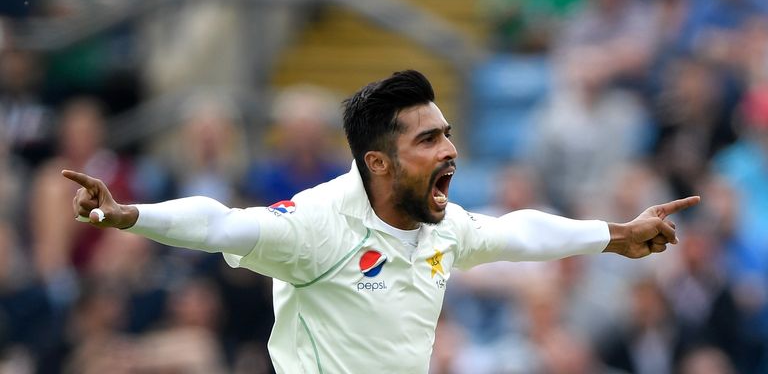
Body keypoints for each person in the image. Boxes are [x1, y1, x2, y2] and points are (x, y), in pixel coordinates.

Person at [62, 70, 699, 373]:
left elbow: (520, 231)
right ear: (379, 162)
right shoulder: (314, 226)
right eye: (428, 140)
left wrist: (615, 236)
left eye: (448, 134)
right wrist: (131, 214)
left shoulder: (444, 225)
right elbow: (220, 224)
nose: (450, 150)